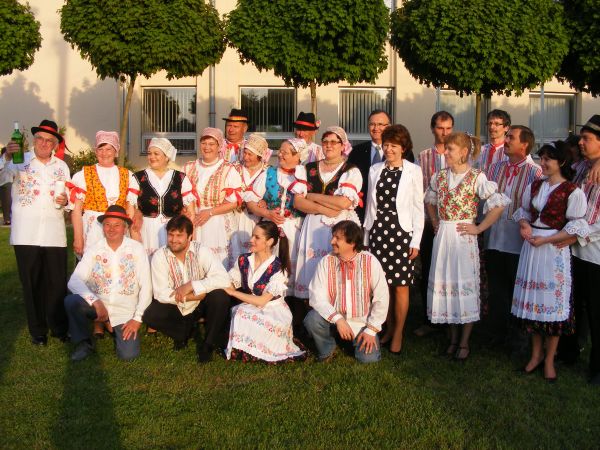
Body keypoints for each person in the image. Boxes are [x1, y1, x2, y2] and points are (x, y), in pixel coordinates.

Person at [425, 132, 509, 361]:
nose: (445, 153)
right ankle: (453, 338)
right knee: (446, 284)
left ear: (463, 152)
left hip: (464, 238)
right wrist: (435, 221)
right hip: (444, 236)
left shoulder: (476, 177)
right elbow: (430, 200)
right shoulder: (440, 176)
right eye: (446, 148)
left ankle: (464, 342)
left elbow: (498, 204)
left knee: (464, 286)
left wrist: (479, 228)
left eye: (450, 149)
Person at [511, 142, 588, 382]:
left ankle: (550, 360)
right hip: (532, 248)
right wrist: (524, 225)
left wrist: (547, 239)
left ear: (561, 162)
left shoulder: (572, 191)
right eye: (541, 158)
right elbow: (524, 212)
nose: (542, 163)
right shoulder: (535, 185)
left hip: (553, 250)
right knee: (535, 304)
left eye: (548, 159)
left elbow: (576, 225)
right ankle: (536, 355)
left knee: (552, 306)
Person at [1, 119, 70, 345]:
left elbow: (69, 198)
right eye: (40, 138)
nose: (44, 143)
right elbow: (2, 178)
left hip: (54, 234)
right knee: (31, 284)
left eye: (49, 140)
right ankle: (38, 331)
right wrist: (7, 157)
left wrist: (66, 200)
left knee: (57, 283)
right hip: (26, 233)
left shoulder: (62, 167)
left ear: (55, 144)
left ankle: (59, 328)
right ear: (34, 139)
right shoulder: (19, 160)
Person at [363, 124, 424, 354]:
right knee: (382, 286)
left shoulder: (413, 171)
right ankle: (387, 328)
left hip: (401, 233)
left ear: (403, 148)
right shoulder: (375, 169)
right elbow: (370, 206)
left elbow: (418, 208)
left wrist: (416, 241)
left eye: (394, 146)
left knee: (400, 286)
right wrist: (367, 236)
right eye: (386, 145)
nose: (389, 149)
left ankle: (398, 332)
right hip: (378, 231)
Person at [65, 205, 152, 361]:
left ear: (125, 228)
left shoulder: (137, 249)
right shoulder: (94, 249)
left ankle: (111, 325)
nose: (111, 229)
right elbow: (74, 281)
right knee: (72, 301)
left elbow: (146, 286)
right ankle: (84, 342)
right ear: (103, 227)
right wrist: (96, 302)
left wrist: (137, 319)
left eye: (117, 225)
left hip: (124, 310)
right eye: (107, 225)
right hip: (98, 307)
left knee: (128, 355)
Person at [483, 126, 542, 350]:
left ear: (524, 144)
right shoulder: (494, 168)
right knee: (497, 289)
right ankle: (497, 333)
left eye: (511, 137)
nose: (506, 140)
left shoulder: (535, 172)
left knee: (518, 290)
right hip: (494, 238)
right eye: (506, 136)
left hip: (518, 243)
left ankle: (519, 337)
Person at [143, 215, 232, 361]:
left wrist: (192, 285)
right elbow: (160, 293)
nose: (174, 240)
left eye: (179, 235)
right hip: (178, 305)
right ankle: (184, 332)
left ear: (190, 236)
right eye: (171, 234)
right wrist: (192, 296)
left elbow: (223, 279)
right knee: (150, 314)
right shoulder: (160, 256)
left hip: (200, 304)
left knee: (220, 297)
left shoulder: (201, 250)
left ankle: (208, 344)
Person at [245, 138, 309, 335]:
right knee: (270, 270)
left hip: (294, 229)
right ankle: (267, 320)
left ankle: (294, 323)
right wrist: (266, 213)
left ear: (298, 156)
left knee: (292, 272)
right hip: (271, 230)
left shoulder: (304, 175)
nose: (279, 155)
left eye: (285, 152)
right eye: (280, 151)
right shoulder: (269, 173)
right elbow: (250, 201)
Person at [304, 220, 389, 363]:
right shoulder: (326, 261)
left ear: (352, 242)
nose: (332, 241)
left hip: (361, 323)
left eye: (337, 238)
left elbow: (382, 297)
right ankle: (327, 349)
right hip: (333, 320)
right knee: (312, 320)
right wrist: (338, 319)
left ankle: (356, 340)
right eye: (333, 236)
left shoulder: (370, 261)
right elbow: (316, 296)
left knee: (368, 359)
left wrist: (370, 330)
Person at [294, 126, 363, 299]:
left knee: (334, 270)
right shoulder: (308, 168)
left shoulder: (350, 170)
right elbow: (297, 202)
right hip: (312, 225)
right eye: (325, 142)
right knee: (311, 269)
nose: (329, 145)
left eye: (334, 142)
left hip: (339, 227)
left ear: (343, 145)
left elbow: (343, 202)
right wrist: (323, 208)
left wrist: (311, 196)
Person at [225, 221, 306, 363]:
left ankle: (260, 350)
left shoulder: (279, 268)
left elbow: (262, 301)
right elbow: (231, 282)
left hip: (273, 309)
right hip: (250, 304)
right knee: (239, 312)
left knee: (248, 316)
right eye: (252, 235)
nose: (251, 240)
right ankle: (243, 349)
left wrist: (233, 293)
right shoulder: (244, 260)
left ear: (269, 242)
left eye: (257, 237)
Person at [559, 115, 600, 385]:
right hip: (574, 249)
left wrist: (576, 235)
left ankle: (597, 367)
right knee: (572, 304)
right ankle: (569, 352)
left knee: (596, 311)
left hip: (594, 251)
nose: (581, 143)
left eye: (587, 139)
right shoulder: (582, 167)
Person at [414, 110, 454, 337]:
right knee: (429, 270)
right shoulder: (423, 156)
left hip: (452, 224)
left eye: (448, 128)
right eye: (440, 128)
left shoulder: (460, 155)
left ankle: (450, 320)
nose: (444, 133)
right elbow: (418, 190)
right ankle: (429, 318)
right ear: (433, 129)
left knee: (450, 272)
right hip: (429, 223)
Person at [69, 131, 135, 257]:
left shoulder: (127, 175)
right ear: (96, 151)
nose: (104, 153)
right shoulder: (84, 174)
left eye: (109, 149)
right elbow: (76, 210)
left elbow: (130, 210)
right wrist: (78, 238)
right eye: (100, 149)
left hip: (118, 230)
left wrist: (129, 234)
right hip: (93, 231)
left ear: (116, 152)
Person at [183, 127, 242, 269]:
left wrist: (209, 212)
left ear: (219, 146)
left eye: (211, 144)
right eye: (204, 143)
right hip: (194, 220)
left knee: (218, 264)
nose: (207, 147)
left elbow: (235, 202)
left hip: (218, 222)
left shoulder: (228, 169)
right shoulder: (188, 167)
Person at [128, 138, 195, 256]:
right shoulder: (138, 177)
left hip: (173, 232)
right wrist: (134, 237)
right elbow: (130, 211)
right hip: (146, 231)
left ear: (167, 156)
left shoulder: (180, 178)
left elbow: (190, 213)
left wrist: (188, 237)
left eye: (156, 154)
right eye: (149, 153)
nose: (152, 157)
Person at [230, 134, 270, 263]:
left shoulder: (268, 172)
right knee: (234, 253)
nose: (245, 157)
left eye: (250, 154)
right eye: (245, 153)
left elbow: (272, 193)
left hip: (256, 219)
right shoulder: (234, 168)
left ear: (259, 155)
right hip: (235, 217)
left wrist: (265, 200)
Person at [347, 109, 391, 223]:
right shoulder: (356, 151)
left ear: (389, 126)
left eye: (380, 124)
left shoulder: (399, 152)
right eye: (372, 124)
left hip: (390, 214)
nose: (376, 128)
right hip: (362, 213)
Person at [475, 109, 511, 174]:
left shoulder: (512, 152)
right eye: (490, 123)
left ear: (506, 128)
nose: (491, 127)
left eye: (496, 124)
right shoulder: (481, 150)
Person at [0, 146, 14, 225]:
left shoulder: (11, 161)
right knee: (6, 201)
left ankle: (8, 219)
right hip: (4, 183)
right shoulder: (2, 161)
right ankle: (7, 219)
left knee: (7, 201)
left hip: (8, 182)